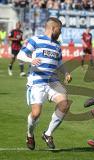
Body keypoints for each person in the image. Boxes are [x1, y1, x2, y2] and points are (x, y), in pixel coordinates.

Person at [17, 17, 72, 150]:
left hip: (53, 81)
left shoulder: (57, 46)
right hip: (37, 82)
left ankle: (48, 134)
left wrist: (66, 73)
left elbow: (59, 63)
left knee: (64, 104)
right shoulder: (35, 40)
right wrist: (31, 60)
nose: (60, 32)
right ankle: (30, 134)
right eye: (59, 29)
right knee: (36, 113)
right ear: (53, 28)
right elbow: (20, 55)